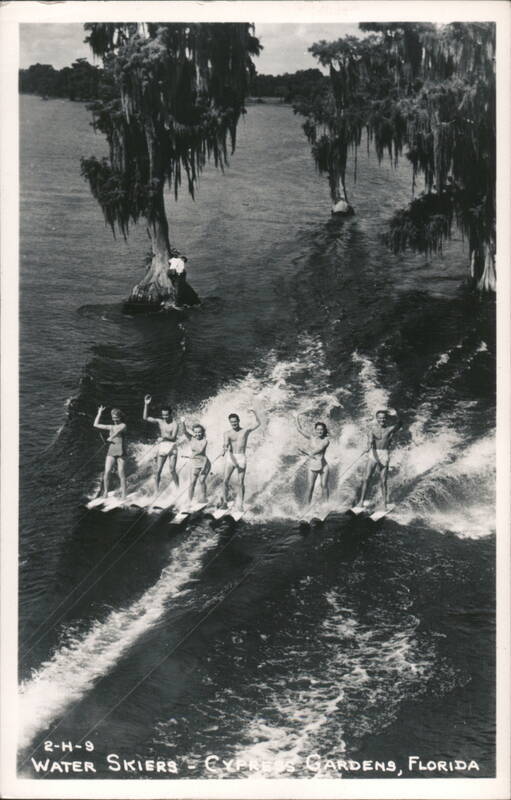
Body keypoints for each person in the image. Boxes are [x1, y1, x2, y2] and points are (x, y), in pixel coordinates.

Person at [358, 408, 402, 510]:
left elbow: (400, 424)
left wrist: (395, 415)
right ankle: (361, 501)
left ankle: (384, 504)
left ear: (386, 419)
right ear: (376, 419)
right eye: (380, 418)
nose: (382, 420)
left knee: (383, 480)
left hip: (384, 454)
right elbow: (370, 441)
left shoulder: (390, 429)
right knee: (366, 478)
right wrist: (368, 447)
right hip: (373, 453)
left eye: (384, 418)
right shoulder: (372, 429)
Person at [220, 409, 261, 510]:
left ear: (238, 421)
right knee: (225, 480)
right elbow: (225, 443)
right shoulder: (227, 433)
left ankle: (240, 504)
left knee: (240, 482)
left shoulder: (245, 431)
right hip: (231, 457)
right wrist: (224, 449)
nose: (233, 423)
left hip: (241, 457)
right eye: (232, 422)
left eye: (235, 421)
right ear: (230, 422)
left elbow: (258, 423)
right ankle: (225, 503)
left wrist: (254, 412)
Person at [143, 395, 179, 491]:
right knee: (158, 470)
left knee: (172, 470)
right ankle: (156, 491)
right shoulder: (160, 421)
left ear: (171, 414)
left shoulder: (175, 424)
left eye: (166, 415)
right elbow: (145, 418)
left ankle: (178, 488)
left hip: (172, 447)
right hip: (163, 447)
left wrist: (163, 437)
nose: (164, 417)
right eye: (163, 415)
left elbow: (173, 437)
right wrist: (146, 404)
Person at [93, 405, 127, 499]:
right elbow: (95, 425)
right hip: (111, 451)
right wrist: (99, 413)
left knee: (121, 472)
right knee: (107, 472)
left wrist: (111, 437)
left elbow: (118, 431)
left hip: (121, 452)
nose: (114, 419)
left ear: (120, 417)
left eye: (116, 417)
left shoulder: (123, 425)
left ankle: (124, 495)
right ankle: (105, 492)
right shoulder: (111, 426)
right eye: (113, 417)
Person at [295, 414, 330, 505]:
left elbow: (321, 448)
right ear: (315, 430)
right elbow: (299, 429)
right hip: (313, 466)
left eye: (321, 429)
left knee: (324, 485)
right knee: (310, 487)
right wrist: (296, 417)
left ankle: (326, 506)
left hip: (323, 466)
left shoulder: (326, 440)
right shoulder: (311, 438)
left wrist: (312, 452)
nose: (319, 431)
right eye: (318, 429)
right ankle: (307, 507)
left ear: (324, 430)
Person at [181, 418, 210, 506]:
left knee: (201, 481)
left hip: (204, 463)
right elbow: (184, 431)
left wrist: (190, 455)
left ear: (203, 432)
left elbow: (200, 450)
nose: (197, 434)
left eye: (199, 432)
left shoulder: (204, 440)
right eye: (196, 432)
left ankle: (204, 498)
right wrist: (183, 422)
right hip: (195, 464)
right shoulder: (192, 438)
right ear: (193, 432)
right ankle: (189, 501)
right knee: (192, 482)